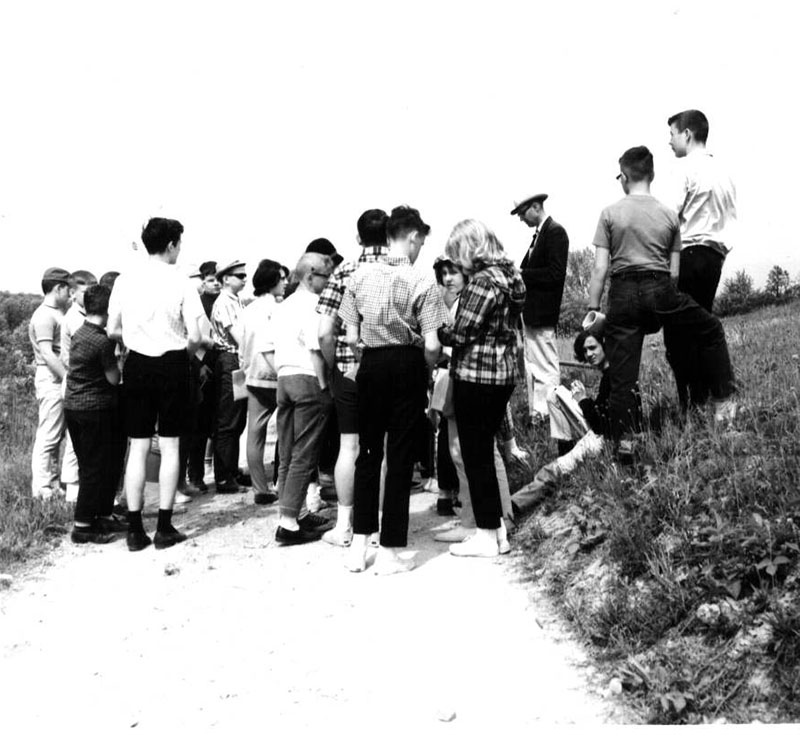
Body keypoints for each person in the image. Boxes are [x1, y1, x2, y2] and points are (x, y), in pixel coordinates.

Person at [586, 146, 737, 450]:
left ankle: (626, 443)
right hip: (660, 287)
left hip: (622, 293)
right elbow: (674, 275)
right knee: (711, 328)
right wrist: (659, 310)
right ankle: (722, 402)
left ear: (624, 177)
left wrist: (593, 309)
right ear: (651, 175)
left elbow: (601, 268)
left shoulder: (609, 213)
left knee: (622, 374)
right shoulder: (669, 215)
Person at [339, 205, 446, 574]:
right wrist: (424, 368)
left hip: (371, 364)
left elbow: (350, 336)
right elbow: (432, 345)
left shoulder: (358, 277)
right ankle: (389, 550)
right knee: (399, 456)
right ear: (413, 237)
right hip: (407, 363)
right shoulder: (421, 280)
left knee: (367, 453)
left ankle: (358, 544)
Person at [107, 217, 203, 551]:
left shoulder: (124, 280)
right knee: (172, 444)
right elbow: (198, 335)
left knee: (138, 444)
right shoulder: (182, 281)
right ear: (172, 244)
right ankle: (164, 525)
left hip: (137, 362)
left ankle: (135, 529)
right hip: (173, 362)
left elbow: (111, 329)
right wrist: (182, 352)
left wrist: (136, 338)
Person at [437, 220, 526, 558]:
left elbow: (462, 334)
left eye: (458, 253)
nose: (457, 262)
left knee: (476, 457)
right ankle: (498, 531)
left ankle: (487, 534)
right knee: (484, 452)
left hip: (476, 375)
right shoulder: (512, 277)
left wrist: (436, 330)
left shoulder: (482, 283)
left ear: (471, 248)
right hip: (503, 375)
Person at [317, 208, 390, 547]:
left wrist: (334, 367)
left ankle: (345, 523)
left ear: (359, 238)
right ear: (389, 235)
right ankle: (376, 525)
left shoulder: (344, 271)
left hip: (349, 368)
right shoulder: (399, 267)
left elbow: (324, 332)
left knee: (349, 445)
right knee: (383, 447)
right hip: (389, 364)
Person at [664, 109, 738, 411]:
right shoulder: (723, 171)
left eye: (672, 134)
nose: (669, 141)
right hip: (714, 257)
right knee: (700, 328)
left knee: (678, 338)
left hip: (690, 255)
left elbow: (669, 219)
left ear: (687, 134)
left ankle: (695, 405)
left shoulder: (685, 169)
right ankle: (707, 399)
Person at [511, 330, 631, 515]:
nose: (589, 354)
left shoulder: (613, 376)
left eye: (593, 348)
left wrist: (583, 400)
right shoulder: (611, 373)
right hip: (599, 434)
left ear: (605, 345)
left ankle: (511, 508)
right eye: (585, 351)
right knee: (554, 394)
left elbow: (602, 425)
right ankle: (564, 455)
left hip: (602, 440)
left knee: (550, 472)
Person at [271, 252, 335, 545]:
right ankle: (289, 523)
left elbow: (271, 347)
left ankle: (291, 514)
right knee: (304, 453)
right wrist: (325, 385)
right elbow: (316, 345)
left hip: (283, 379)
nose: (330, 280)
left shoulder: (283, 304)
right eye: (326, 275)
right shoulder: (314, 304)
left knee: (287, 454)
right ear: (311, 275)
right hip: (308, 378)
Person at [64, 285, 127, 543]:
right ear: (108, 309)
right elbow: (113, 379)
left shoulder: (80, 333)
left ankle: (101, 515)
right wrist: (121, 359)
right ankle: (82, 526)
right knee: (93, 469)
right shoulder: (102, 341)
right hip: (94, 410)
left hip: (75, 408)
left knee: (95, 465)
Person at [511, 193, 569, 426]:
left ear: (535, 207)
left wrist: (522, 274)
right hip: (532, 314)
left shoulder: (555, 232)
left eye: (523, 213)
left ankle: (551, 414)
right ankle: (538, 413)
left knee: (545, 366)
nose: (521, 219)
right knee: (533, 366)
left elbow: (556, 274)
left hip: (543, 312)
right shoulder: (539, 235)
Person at [239, 259, 287, 505]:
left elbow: (241, 344)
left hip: (254, 375)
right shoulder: (280, 309)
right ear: (272, 282)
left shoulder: (247, 310)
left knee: (254, 434)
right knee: (286, 430)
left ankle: (260, 488)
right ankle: (283, 482)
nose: (285, 283)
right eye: (282, 279)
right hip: (278, 374)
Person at [28, 267, 71, 498]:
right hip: (51, 378)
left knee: (57, 434)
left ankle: (52, 485)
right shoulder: (45, 315)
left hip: (57, 377)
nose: (70, 294)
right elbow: (47, 353)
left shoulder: (57, 313)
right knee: (49, 434)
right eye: (67, 289)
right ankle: (42, 488)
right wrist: (67, 378)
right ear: (58, 288)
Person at [59, 269, 98, 502]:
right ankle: (73, 488)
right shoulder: (74, 319)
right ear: (72, 293)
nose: (90, 295)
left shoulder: (87, 315)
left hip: (89, 384)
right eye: (85, 291)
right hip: (77, 382)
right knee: (76, 441)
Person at [210, 259, 248, 493]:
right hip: (229, 358)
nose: (244, 279)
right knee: (228, 421)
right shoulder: (224, 302)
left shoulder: (235, 301)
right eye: (239, 276)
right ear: (225, 278)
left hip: (236, 359)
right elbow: (239, 337)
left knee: (237, 419)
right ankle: (223, 477)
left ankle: (231, 471)